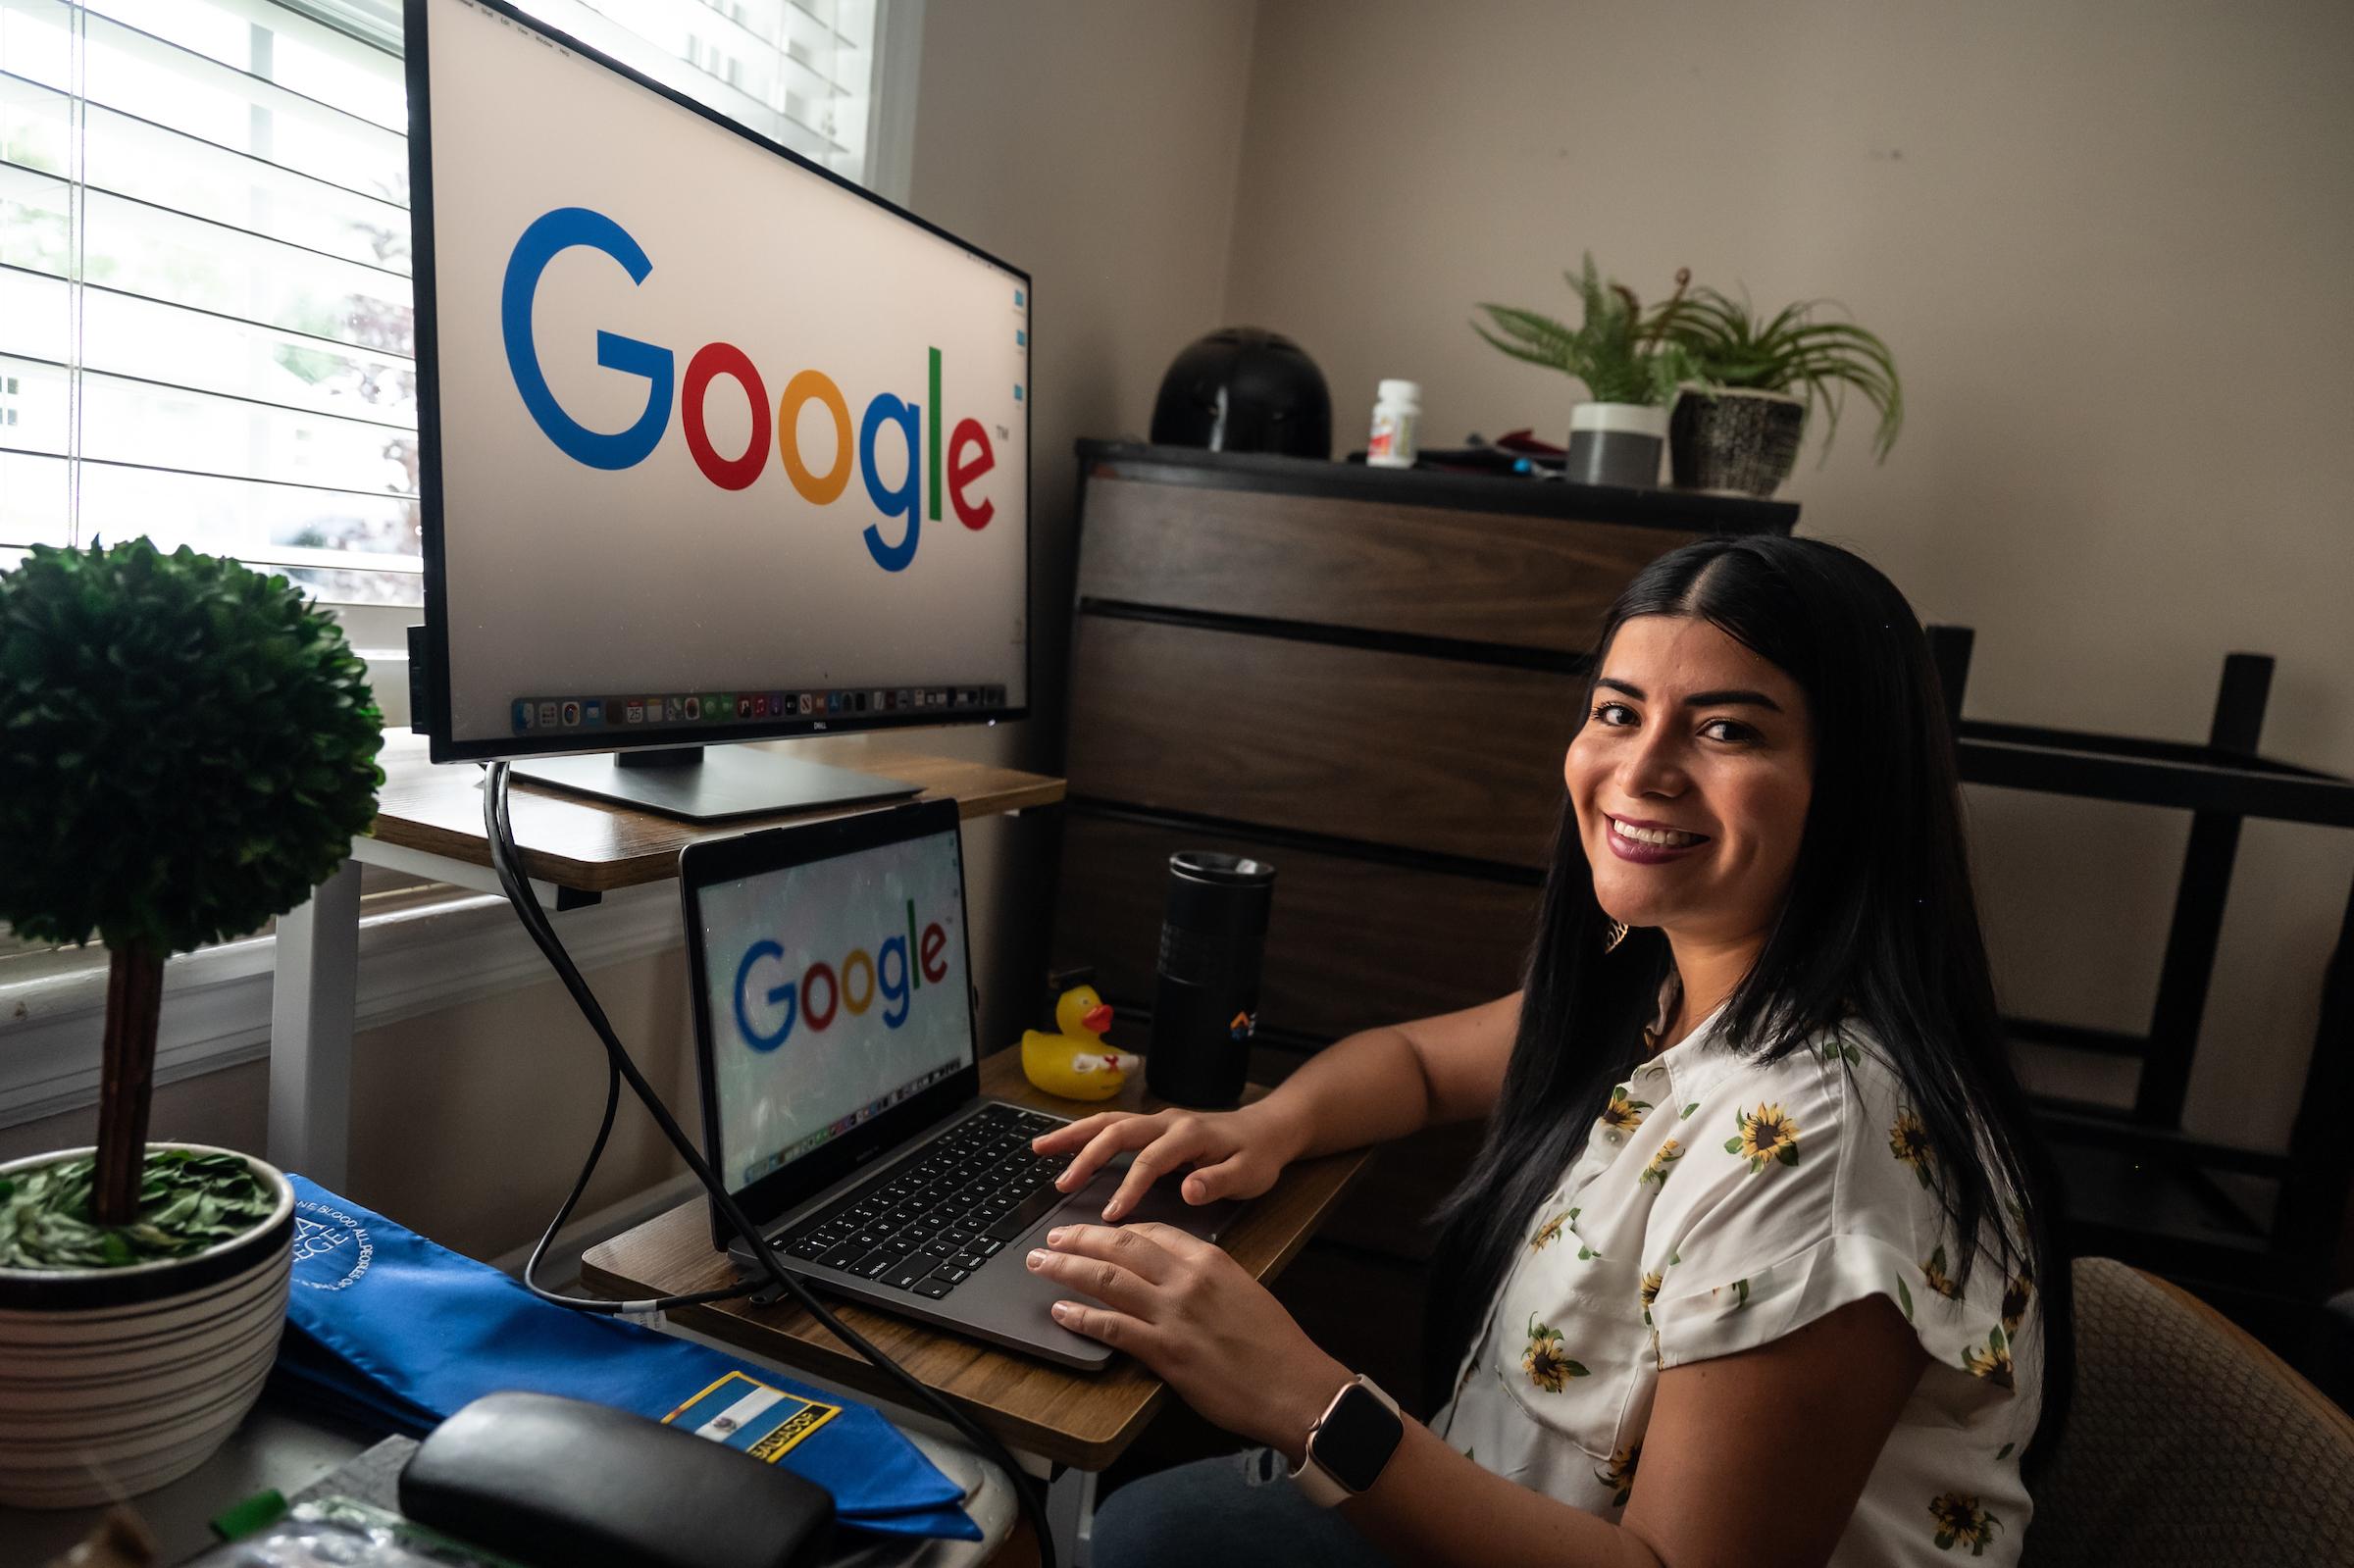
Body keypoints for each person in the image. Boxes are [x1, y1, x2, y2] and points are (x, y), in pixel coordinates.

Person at [1025, 534, 2071, 1567]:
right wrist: (1261, 1127)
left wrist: (1300, 1395)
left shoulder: (1813, 1140)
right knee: (1143, 1532)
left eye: (1725, 730)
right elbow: (1419, 1066)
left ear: (1854, 786)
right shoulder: (1678, 988)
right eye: (1619, 713)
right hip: (1498, 1497)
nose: (1642, 769)